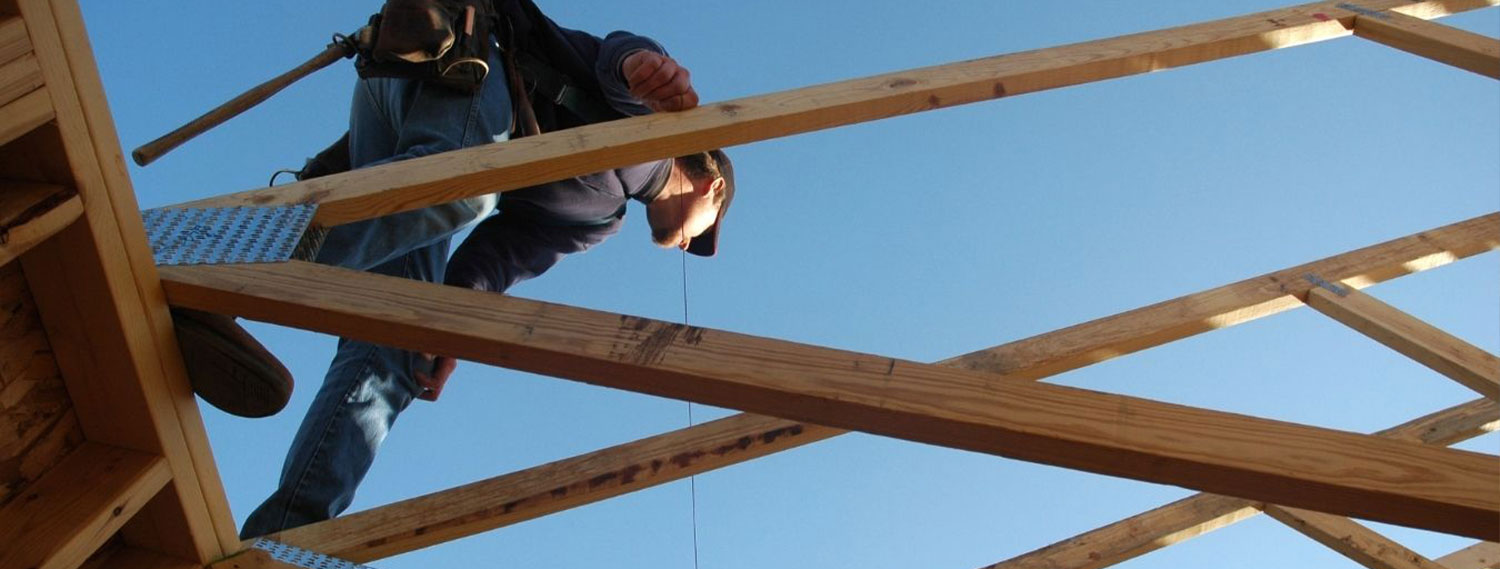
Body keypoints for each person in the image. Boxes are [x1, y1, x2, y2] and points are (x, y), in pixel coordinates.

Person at [173, 0, 735, 538]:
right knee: (464, 194)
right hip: (450, 60)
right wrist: (644, 66)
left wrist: (452, 330)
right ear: (712, 185)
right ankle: (208, 275)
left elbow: (491, 263)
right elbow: (619, 58)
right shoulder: (655, 131)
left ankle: (286, 532)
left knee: (403, 334)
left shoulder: (596, 220)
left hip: (406, 143)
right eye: (704, 231)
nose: (690, 244)